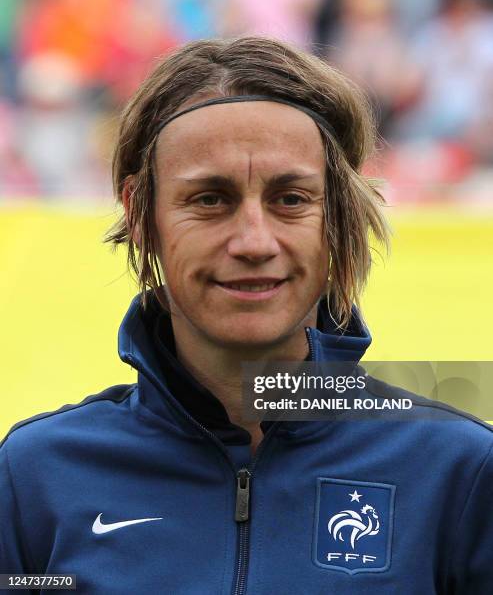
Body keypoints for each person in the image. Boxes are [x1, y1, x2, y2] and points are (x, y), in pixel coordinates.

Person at [1, 36, 492, 595]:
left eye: (291, 199)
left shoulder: (460, 472)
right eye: (210, 199)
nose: (254, 242)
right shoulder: (36, 477)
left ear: (340, 217)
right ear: (140, 215)